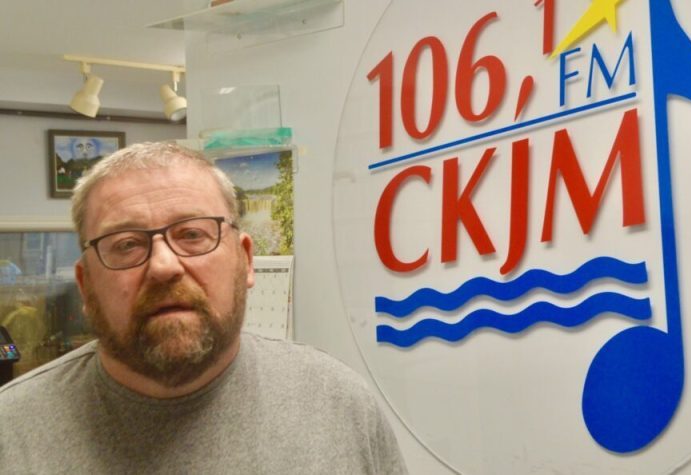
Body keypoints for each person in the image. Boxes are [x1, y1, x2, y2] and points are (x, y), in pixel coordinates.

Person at [0, 142, 407, 474]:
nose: (163, 266)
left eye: (193, 234)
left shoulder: (338, 404)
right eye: (126, 244)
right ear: (86, 286)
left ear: (246, 261)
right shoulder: (12, 433)